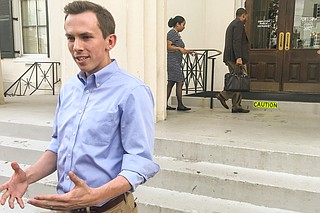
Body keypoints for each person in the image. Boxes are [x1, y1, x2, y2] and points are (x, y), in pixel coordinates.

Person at [0, 1, 159, 212]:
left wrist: (94, 196)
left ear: (109, 41)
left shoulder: (132, 92)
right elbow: (58, 146)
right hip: (66, 208)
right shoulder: (69, 89)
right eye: (70, 38)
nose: (77, 47)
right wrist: (27, 177)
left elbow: (139, 163)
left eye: (86, 37)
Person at [216, 8, 250, 113]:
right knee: (238, 81)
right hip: (234, 58)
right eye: (246, 17)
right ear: (243, 15)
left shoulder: (233, 24)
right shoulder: (239, 24)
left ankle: (236, 106)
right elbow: (237, 41)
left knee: (238, 80)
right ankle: (223, 95)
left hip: (231, 56)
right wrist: (239, 57)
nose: (246, 19)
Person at [166, 15, 194, 111]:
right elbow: (168, 47)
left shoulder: (176, 34)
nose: (184, 27)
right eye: (183, 24)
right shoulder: (172, 33)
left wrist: (187, 51)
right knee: (180, 81)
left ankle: (164, 103)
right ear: (177, 24)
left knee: (171, 83)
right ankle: (180, 104)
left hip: (176, 61)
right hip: (172, 62)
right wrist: (179, 48)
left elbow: (178, 48)